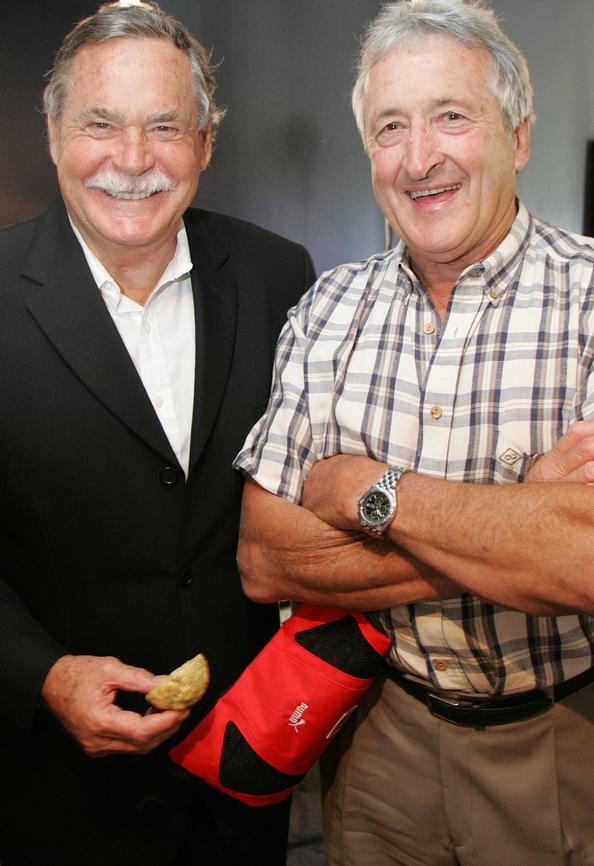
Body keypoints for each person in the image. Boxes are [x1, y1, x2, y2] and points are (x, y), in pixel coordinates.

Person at [0, 3, 314, 864]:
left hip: (244, 777)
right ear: (52, 133)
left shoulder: (279, 276)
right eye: (100, 125)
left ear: (206, 143)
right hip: (64, 791)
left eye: (165, 127)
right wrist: (45, 676)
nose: (134, 161)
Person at [234, 1, 594, 864]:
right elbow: (263, 557)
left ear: (521, 135)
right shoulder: (326, 308)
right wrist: (518, 528)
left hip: (557, 742)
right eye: (390, 127)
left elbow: (584, 564)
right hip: (375, 738)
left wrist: (366, 490)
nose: (420, 157)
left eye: (452, 117)